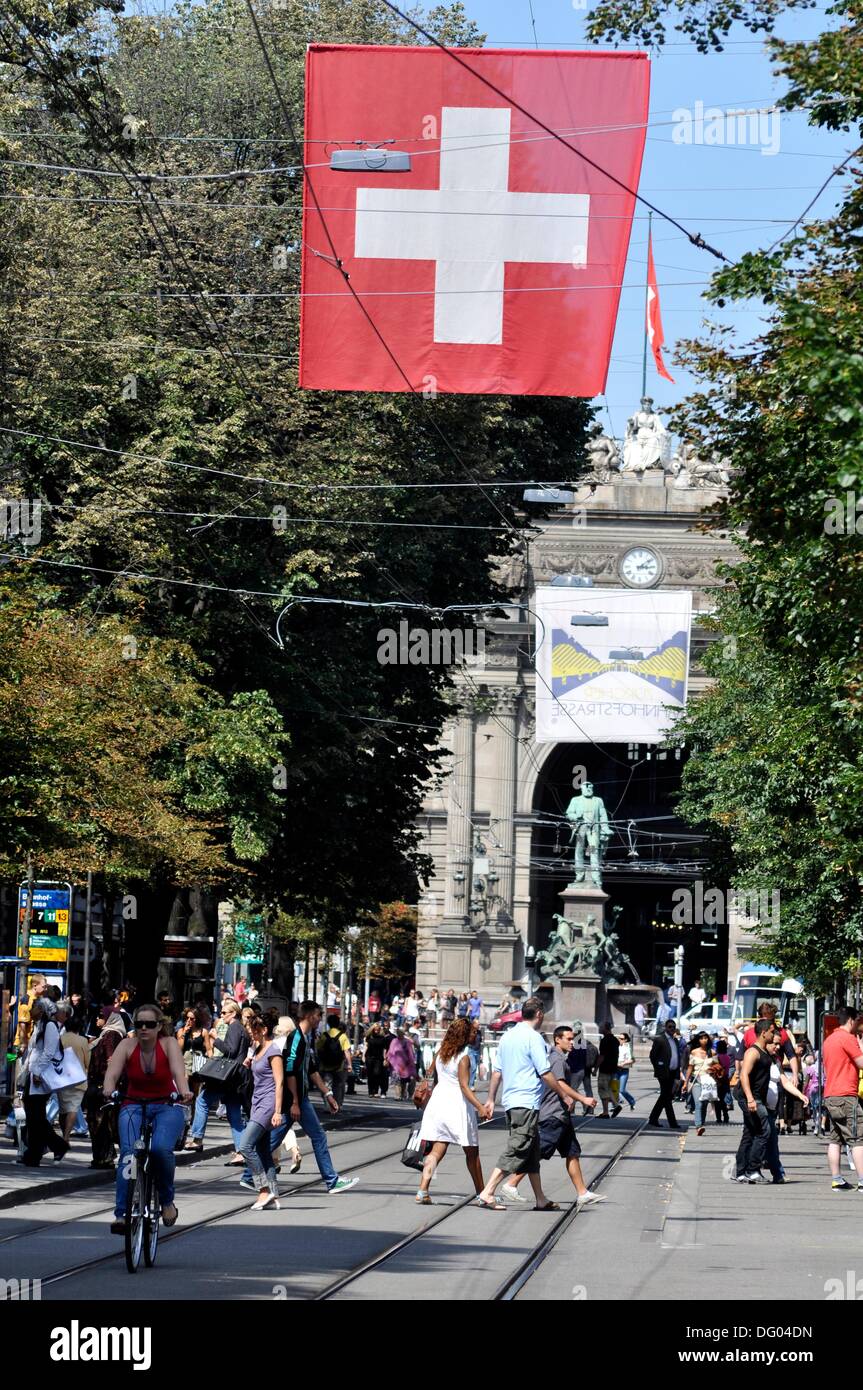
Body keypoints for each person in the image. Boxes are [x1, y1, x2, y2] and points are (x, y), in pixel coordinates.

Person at [475, 997, 573, 1212]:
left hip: (511, 1101)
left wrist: (491, 1099)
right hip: (526, 1102)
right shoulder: (534, 1038)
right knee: (518, 1147)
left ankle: (540, 1198)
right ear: (539, 1014)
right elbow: (545, 1073)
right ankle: (488, 1191)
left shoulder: (508, 1036)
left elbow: (497, 1071)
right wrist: (563, 1095)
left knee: (531, 1151)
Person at [102, 1004, 192, 1234]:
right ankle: (121, 1215)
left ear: (159, 1026)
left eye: (149, 1024)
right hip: (133, 1104)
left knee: (161, 1150)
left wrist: (184, 1091)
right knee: (128, 1155)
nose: (143, 1029)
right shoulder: (127, 1044)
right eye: (139, 1024)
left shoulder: (169, 1043)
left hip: (167, 1104)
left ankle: (166, 1201)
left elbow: (178, 1072)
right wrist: (108, 1089)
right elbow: (111, 1073)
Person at [282, 1000, 358, 1194]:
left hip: (299, 1098)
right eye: (318, 1015)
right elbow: (290, 1070)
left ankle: (250, 1174)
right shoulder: (296, 1038)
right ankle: (332, 1181)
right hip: (295, 1099)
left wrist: (328, 1094)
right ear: (309, 1016)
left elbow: (312, 1070)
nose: (320, 1019)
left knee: (275, 1139)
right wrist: (296, 1102)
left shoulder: (306, 1038)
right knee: (318, 1137)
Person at [416, 1018, 492, 1203]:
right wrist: (480, 1107)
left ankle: (422, 1190)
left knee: (436, 1151)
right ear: (464, 1035)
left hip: (438, 1104)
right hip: (456, 1106)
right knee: (472, 1153)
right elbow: (464, 1087)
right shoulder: (463, 1057)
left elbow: (429, 1074)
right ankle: (482, 1193)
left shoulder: (441, 1052)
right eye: (472, 1032)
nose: (475, 1034)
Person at [185, 998, 247, 1156]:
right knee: (234, 1114)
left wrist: (215, 1038)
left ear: (233, 1013)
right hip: (235, 1077)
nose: (221, 1015)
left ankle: (197, 1139)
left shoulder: (234, 1027)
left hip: (226, 1076)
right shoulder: (241, 1029)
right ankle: (242, 1151)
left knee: (202, 1101)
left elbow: (230, 1051)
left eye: (224, 1012)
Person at [236, 1013, 284, 1211]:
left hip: (268, 1105)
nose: (251, 1034)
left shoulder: (273, 1050)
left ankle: (263, 1189)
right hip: (256, 1103)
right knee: (264, 1152)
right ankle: (273, 1196)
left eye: (254, 1031)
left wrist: (278, 1111)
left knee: (245, 1146)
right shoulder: (257, 1048)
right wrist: (249, 1061)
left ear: (264, 1030)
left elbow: (279, 1082)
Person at [20, 999, 69, 1166]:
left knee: (36, 1117)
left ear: (42, 1009)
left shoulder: (49, 1026)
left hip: (40, 1078)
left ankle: (37, 1153)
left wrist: (38, 1071)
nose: (32, 1009)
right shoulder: (40, 1025)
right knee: (35, 1117)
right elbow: (34, 1050)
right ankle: (42, 1150)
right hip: (33, 1075)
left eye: (35, 1006)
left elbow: (49, 1051)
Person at [821, 1006, 863, 1191]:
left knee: (835, 1139)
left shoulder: (830, 1039)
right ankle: (862, 1181)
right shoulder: (848, 1038)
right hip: (846, 1096)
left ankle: (837, 1179)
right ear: (851, 1020)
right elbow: (861, 1063)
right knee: (858, 1139)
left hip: (831, 1095)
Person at [733, 1018, 776, 1182]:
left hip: (757, 1098)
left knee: (750, 1133)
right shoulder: (753, 1052)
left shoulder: (764, 1051)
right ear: (764, 1033)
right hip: (751, 1099)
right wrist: (751, 1099)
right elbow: (744, 1075)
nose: (773, 1034)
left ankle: (741, 1172)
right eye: (771, 1031)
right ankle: (753, 1170)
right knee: (763, 1131)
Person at [84, 1011, 126, 1169]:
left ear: (109, 1019)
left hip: (102, 1086)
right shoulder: (107, 1035)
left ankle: (103, 1158)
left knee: (100, 1123)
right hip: (102, 1085)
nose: (97, 1018)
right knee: (102, 1123)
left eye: (101, 1016)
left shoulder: (111, 1036)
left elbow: (110, 1061)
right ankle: (105, 1156)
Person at [56, 1009, 91, 1143]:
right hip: (79, 1079)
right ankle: (66, 1135)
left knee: (63, 1108)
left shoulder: (61, 1039)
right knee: (73, 1108)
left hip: (62, 1079)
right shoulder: (83, 1041)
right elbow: (88, 1061)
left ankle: (63, 1132)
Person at [647, 1019, 682, 1130]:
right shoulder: (660, 1039)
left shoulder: (675, 1041)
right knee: (667, 1096)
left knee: (666, 1096)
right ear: (666, 1028)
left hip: (672, 1072)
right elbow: (653, 1056)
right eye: (670, 1027)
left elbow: (677, 1058)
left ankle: (653, 1118)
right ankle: (672, 1122)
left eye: (673, 1027)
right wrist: (659, 1067)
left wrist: (677, 1076)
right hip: (663, 1073)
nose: (672, 1029)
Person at [681, 1031, 717, 1135]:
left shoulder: (712, 1052)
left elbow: (717, 1067)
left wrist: (714, 1071)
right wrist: (685, 1083)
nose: (704, 1040)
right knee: (699, 1102)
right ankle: (698, 1126)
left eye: (706, 1038)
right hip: (696, 1080)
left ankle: (701, 1123)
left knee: (704, 1104)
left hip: (708, 1081)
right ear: (698, 1040)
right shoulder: (694, 1052)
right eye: (701, 1038)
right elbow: (690, 1068)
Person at [316, 1013, 353, 1108]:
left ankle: (327, 1106)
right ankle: (337, 1105)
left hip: (325, 1065)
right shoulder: (343, 1036)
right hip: (339, 1066)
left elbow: (318, 1049)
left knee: (327, 1085)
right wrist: (349, 1064)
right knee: (338, 1086)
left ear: (329, 1023)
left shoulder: (324, 1035)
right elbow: (347, 1051)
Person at [597, 1022, 621, 1118]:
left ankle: (605, 1112)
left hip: (605, 1068)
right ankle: (616, 1105)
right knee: (608, 1089)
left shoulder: (605, 1040)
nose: (599, 1029)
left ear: (605, 1028)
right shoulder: (615, 1040)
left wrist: (595, 1069)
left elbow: (602, 1056)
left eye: (601, 1027)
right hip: (613, 1068)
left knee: (603, 1090)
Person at [387, 1026, 417, 1101]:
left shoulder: (407, 1041)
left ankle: (403, 1094)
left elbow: (410, 1053)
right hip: (396, 1064)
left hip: (405, 1064)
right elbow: (390, 1051)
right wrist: (387, 1059)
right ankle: (398, 1095)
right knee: (397, 1080)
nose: (399, 1034)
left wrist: (411, 1062)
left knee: (404, 1080)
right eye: (398, 1032)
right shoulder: (394, 1041)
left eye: (401, 1032)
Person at [364, 1022, 390, 1098]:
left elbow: (384, 1049)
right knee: (370, 1075)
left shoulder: (383, 1038)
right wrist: (363, 1056)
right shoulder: (369, 1037)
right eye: (375, 1030)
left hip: (378, 1058)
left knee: (377, 1074)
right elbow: (366, 1047)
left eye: (378, 1030)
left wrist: (385, 1058)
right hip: (369, 1057)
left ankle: (375, 1090)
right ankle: (370, 1091)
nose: (377, 1031)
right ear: (372, 1030)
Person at [615, 1032, 637, 1111]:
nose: (619, 1040)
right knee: (614, 1088)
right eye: (619, 1038)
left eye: (621, 1039)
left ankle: (632, 1101)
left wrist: (624, 1063)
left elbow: (633, 1060)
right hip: (615, 1069)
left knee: (621, 1090)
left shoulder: (628, 1048)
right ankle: (614, 1105)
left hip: (624, 1070)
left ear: (626, 1040)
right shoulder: (616, 1046)